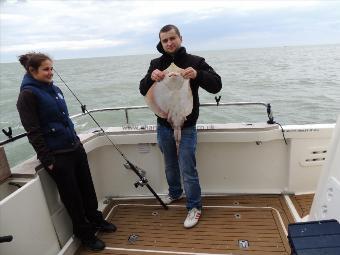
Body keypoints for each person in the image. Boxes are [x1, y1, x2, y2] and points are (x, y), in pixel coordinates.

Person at [16, 52, 116, 251]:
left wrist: (77, 142)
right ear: (32, 70)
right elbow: (33, 131)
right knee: (73, 198)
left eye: (52, 68)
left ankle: (96, 220)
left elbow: (64, 119)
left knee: (87, 189)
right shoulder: (27, 95)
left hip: (74, 148)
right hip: (58, 156)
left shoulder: (54, 89)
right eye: (46, 69)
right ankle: (85, 234)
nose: (51, 72)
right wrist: (47, 159)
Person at [140, 25, 222, 228]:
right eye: (165, 40)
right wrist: (151, 77)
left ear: (180, 38)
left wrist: (197, 75)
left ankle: (194, 207)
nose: (169, 43)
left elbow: (216, 85)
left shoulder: (195, 61)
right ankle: (175, 193)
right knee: (169, 164)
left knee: (187, 168)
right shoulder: (156, 63)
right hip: (164, 123)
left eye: (172, 38)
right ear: (161, 42)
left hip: (186, 125)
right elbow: (142, 89)